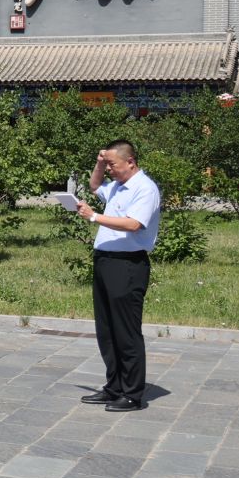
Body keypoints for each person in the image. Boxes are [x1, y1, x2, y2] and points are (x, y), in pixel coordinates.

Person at [78, 141, 162, 413]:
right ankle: (113, 386)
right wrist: (99, 163)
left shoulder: (144, 188)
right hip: (105, 260)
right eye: (108, 164)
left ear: (131, 162)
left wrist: (94, 218)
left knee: (126, 331)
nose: (110, 170)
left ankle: (132, 393)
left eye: (113, 164)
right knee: (107, 330)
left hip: (127, 264)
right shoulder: (117, 186)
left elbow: (133, 223)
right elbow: (94, 186)